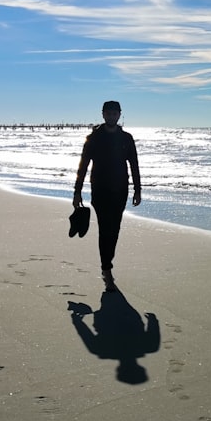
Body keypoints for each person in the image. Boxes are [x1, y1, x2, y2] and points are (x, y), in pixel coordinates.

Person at [73, 100, 141, 292]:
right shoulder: (93, 138)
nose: (111, 116)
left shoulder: (127, 138)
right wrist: (77, 192)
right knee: (105, 229)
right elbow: (83, 166)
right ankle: (107, 270)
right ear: (103, 114)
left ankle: (107, 264)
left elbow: (134, 165)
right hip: (100, 191)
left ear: (119, 115)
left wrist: (138, 189)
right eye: (108, 113)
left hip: (120, 191)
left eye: (115, 113)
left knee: (115, 229)